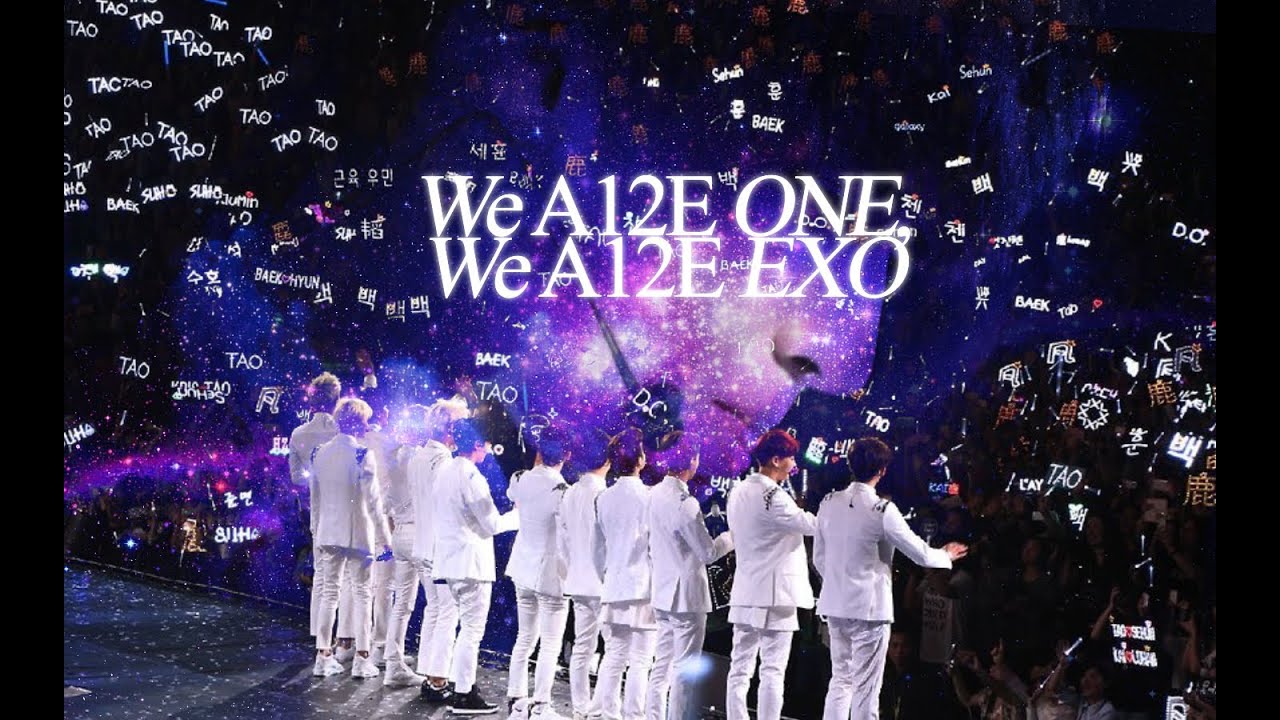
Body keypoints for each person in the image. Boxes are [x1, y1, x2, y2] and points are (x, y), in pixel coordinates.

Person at [814, 437, 967, 720]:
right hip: (869, 610)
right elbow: (920, 553)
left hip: (835, 606)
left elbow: (819, 558)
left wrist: (838, 582)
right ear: (882, 470)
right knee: (866, 688)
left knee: (841, 680)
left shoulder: (828, 503)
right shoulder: (882, 510)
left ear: (851, 465)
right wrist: (945, 555)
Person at [725, 429, 815, 720]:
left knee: (739, 669)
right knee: (772, 671)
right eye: (791, 458)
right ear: (776, 460)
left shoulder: (738, 491)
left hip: (745, 591)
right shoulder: (774, 495)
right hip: (775, 595)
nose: (794, 465)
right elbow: (809, 525)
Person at [431, 418, 519, 714]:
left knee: (464, 629)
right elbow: (492, 524)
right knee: (471, 631)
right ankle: (464, 694)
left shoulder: (444, 471)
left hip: (450, 561)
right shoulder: (472, 477)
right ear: (479, 444)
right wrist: (518, 516)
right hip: (470, 564)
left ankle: (462, 686)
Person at [646, 431, 734, 720]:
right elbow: (708, 553)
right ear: (692, 460)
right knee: (684, 671)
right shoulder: (686, 504)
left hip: (662, 592)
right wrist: (730, 537)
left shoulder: (653, 494)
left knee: (660, 666)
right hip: (686, 597)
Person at [310, 397, 392, 679]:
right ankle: (362, 658)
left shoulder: (319, 453)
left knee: (329, 594)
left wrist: (316, 531)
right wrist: (386, 540)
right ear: (359, 423)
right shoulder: (361, 454)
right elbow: (374, 503)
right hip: (358, 534)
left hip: (327, 533)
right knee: (362, 594)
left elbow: (315, 500)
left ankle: (323, 656)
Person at [505, 425, 573, 719]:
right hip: (549, 574)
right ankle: (541, 705)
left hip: (522, 567)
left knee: (525, 637)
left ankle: (517, 699)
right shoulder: (562, 491)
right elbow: (567, 534)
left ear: (540, 450)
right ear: (567, 455)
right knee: (550, 643)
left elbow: (513, 494)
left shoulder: (520, 478)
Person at [594, 428, 658, 720]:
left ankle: (609, 715)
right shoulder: (649, 497)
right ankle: (634, 716)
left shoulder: (603, 498)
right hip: (644, 587)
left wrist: (607, 576)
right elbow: (655, 546)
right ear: (641, 460)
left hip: (614, 585)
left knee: (614, 656)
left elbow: (598, 548)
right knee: (640, 661)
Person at [411, 399, 470, 699]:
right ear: (451, 427)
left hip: (422, 544)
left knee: (435, 609)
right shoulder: (443, 461)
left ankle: (429, 674)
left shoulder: (419, 456)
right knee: (447, 611)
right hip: (440, 548)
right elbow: (448, 505)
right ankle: (437, 680)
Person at [558, 428, 613, 720]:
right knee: (613, 650)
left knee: (582, 648)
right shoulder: (604, 495)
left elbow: (562, 540)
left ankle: (581, 709)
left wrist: (572, 568)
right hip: (603, 582)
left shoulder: (570, 492)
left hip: (577, 580)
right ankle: (598, 709)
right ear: (608, 460)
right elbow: (608, 543)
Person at [289, 371, 341, 640]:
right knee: (349, 578)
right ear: (336, 399)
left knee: (321, 574)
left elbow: (296, 478)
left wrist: (316, 478)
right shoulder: (342, 432)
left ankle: (320, 637)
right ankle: (345, 639)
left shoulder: (299, 433)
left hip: (317, 510)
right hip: (346, 508)